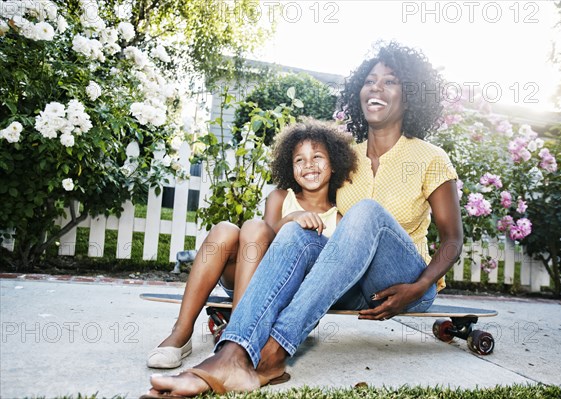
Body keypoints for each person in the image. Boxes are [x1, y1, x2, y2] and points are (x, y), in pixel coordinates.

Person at [143, 41, 463, 397]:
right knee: (296, 233)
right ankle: (232, 356)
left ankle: (272, 354)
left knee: (366, 211)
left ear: (410, 95)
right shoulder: (346, 158)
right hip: (348, 284)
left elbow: (452, 238)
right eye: (370, 80)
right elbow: (319, 216)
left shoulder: (429, 157)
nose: (376, 87)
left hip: (403, 283)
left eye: (390, 81)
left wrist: (421, 286)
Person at [146, 119, 358, 369]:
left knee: (255, 228)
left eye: (318, 157)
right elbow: (264, 242)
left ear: (334, 164)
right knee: (229, 229)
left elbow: (325, 274)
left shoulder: (338, 217)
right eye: (299, 160)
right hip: (249, 276)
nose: (309, 165)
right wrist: (291, 218)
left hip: (283, 293)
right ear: (289, 168)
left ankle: (236, 335)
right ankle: (181, 333)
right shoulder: (280, 198)